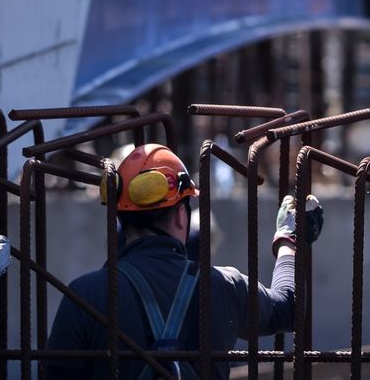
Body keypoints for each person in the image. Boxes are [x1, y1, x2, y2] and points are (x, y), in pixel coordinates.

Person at [45, 143, 322, 379]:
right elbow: (289, 308)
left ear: (120, 218)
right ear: (181, 216)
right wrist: (288, 239)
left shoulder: (85, 296)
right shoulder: (223, 286)